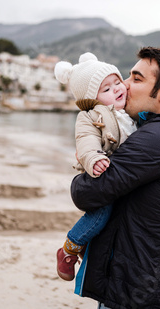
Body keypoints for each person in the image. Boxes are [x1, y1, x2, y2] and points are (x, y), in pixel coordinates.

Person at [71, 47, 160, 308]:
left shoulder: (159, 137)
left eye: (136, 79)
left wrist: (86, 163)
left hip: (137, 293)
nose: (124, 85)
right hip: (150, 285)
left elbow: (86, 193)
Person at [54, 52, 137, 281]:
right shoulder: (89, 117)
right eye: (107, 89)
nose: (117, 89)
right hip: (100, 173)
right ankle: (70, 248)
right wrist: (93, 159)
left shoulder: (131, 111)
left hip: (122, 176)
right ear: (93, 100)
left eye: (117, 82)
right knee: (101, 214)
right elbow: (86, 141)